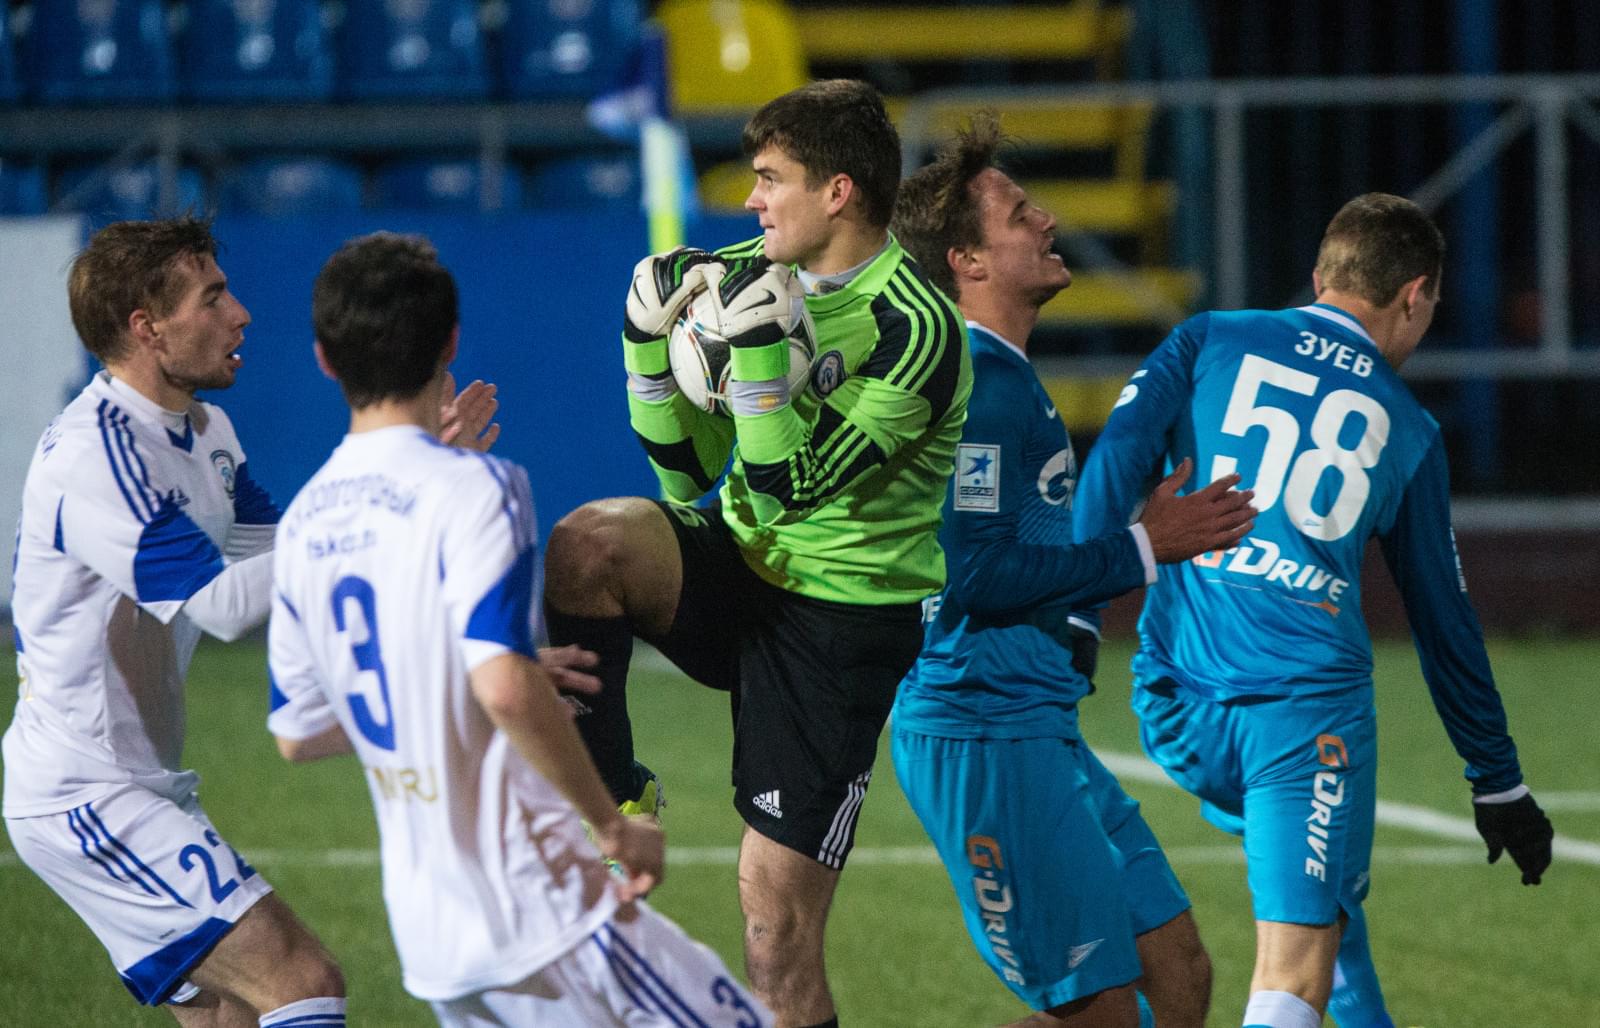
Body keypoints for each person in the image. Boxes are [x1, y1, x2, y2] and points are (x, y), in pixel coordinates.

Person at [542, 79, 972, 1025]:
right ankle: (619, 801)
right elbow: (684, 478)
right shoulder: (736, 272)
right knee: (585, 547)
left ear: (839, 192)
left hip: (841, 623)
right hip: (736, 561)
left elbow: (789, 487)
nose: (749, 201)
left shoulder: (918, 332)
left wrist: (766, 373)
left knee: (775, 934)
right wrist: (644, 355)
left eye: (770, 179)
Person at [1073, 193, 1555, 1028]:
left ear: (1319, 280)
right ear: (1414, 294)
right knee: (1294, 970)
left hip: (1174, 701)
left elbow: (1114, 462)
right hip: (1301, 718)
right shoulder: (1408, 429)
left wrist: (1078, 609)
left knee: (1329, 908)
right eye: (1430, 306)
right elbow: (1445, 623)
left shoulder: (1210, 335)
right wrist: (1497, 778)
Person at [266, 231, 769, 1027]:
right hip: (543, 907)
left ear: (326, 359)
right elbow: (502, 685)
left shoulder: (303, 525)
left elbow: (299, 733)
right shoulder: (479, 488)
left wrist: (458, 681)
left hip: (433, 936)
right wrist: (612, 822)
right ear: (450, 341)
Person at [888, 114, 1258, 1027]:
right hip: (980, 734)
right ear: (967, 263)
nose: (1046, 218)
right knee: (1096, 1014)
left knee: (1177, 973)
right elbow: (972, 576)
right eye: (1018, 212)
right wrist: (1144, 545)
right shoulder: (977, 389)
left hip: (1035, 722)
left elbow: (1012, 552)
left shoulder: (1008, 376)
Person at [2, 218, 349, 1028]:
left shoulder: (206, 431)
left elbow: (279, 573)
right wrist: (370, 514)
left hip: (132, 785)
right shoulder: (97, 456)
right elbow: (227, 607)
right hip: (84, 797)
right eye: (214, 297)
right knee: (302, 980)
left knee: (231, 1015)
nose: (243, 315)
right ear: (146, 328)